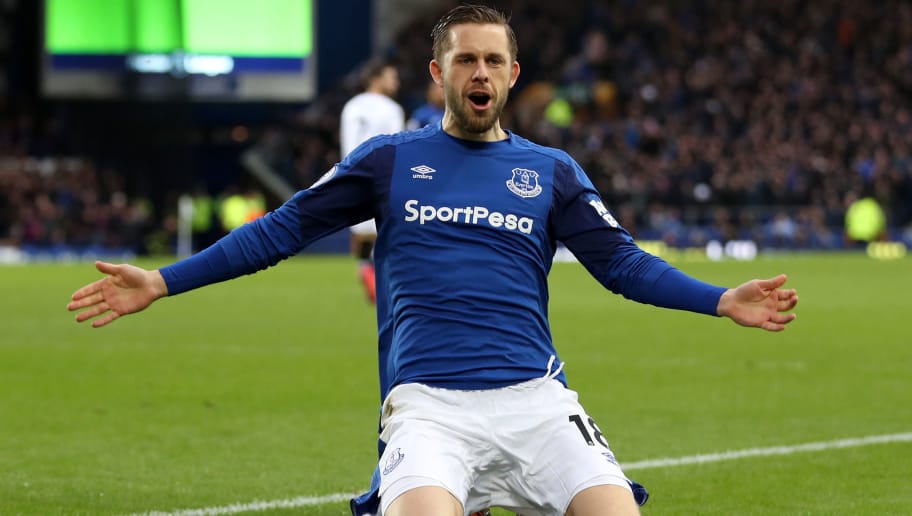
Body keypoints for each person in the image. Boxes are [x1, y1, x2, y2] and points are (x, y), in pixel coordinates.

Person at [68, 5, 799, 515]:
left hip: (538, 402)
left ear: (513, 74)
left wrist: (718, 299)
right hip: (429, 409)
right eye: (465, 59)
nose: (479, 71)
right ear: (438, 74)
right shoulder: (389, 160)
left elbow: (623, 265)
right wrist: (164, 279)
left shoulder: (551, 170)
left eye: (493, 60)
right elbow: (279, 231)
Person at [340, 57, 405, 303]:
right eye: (391, 77)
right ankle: (379, 282)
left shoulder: (352, 106)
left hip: (354, 176)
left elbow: (347, 146)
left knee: (362, 236)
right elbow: (395, 148)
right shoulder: (392, 109)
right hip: (384, 179)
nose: (396, 82)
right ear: (376, 79)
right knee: (387, 233)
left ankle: (367, 274)